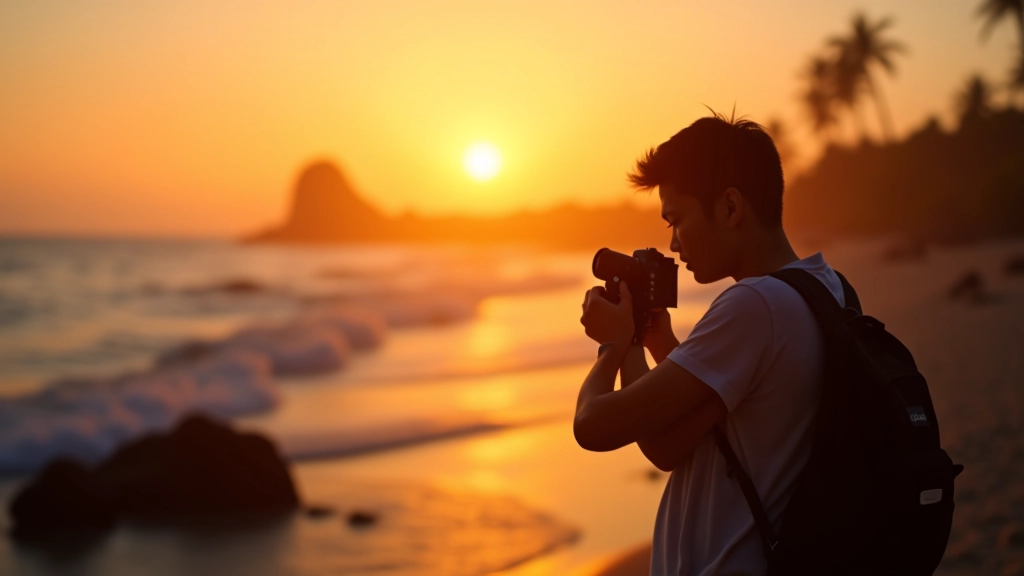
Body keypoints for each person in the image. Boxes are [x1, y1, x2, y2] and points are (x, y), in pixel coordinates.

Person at [575, 111, 847, 575]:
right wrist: (654, 342)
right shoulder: (825, 289)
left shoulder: (755, 306)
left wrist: (613, 346)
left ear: (729, 208)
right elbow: (668, 444)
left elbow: (593, 425)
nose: (675, 245)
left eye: (676, 221)